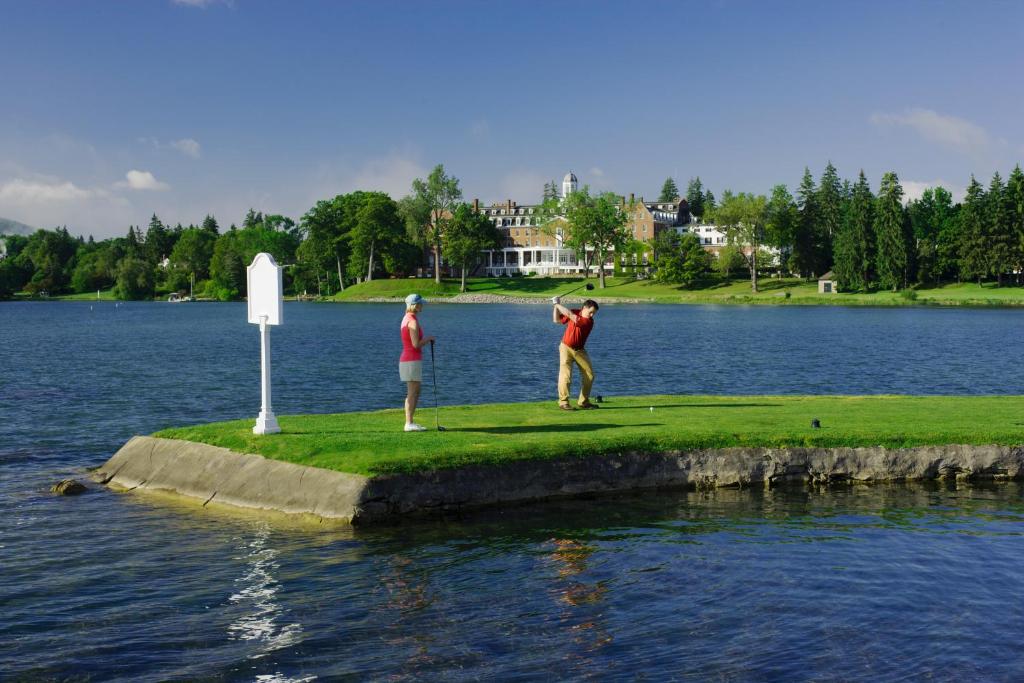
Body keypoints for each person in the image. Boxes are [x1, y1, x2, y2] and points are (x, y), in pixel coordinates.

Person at [552, 296, 599, 411]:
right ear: (584, 308)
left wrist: (557, 304)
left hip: (580, 351)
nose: (592, 315)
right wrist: (555, 307)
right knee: (565, 376)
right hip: (565, 348)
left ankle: (583, 402)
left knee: (590, 375)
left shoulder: (588, 322)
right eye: (591, 312)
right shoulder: (575, 312)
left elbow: (570, 315)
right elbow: (556, 320)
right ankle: (563, 402)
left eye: (594, 313)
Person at [399, 293, 435, 431]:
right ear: (415, 305)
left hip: (409, 360)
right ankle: (408, 423)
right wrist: (429, 338)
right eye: (420, 303)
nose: (422, 305)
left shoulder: (407, 318)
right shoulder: (412, 321)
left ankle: (411, 422)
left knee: (415, 391)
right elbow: (415, 344)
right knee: (412, 392)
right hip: (411, 360)